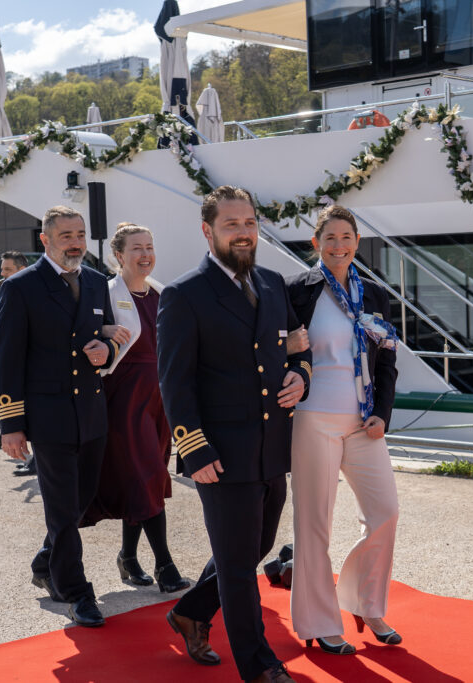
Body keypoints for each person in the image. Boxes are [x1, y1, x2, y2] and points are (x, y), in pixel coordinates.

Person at [157, 186, 312, 683]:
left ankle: (189, 613)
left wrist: (301, 375)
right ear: (208, 231)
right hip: (220, 452)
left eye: (249, 223)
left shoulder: (271, 283)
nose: (244, 233)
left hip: (271, 447)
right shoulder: (185, 294)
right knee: (240, 567)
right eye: (232, 225)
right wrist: (193, 449)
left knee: (254, 548)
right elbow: (175, 381)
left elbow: (298, 346)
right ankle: (259, 666)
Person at [0, 206, 121, 628]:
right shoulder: (21, 287)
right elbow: (8, 360)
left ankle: (45, 562)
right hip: (49, 416)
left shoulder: (97, 282)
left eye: (80, 234)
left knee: (81, 501)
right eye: (66, 235)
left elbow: (108, 336)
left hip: (91, 411)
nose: (76, 243)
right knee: (63, 509)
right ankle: (76, 592)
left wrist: (108, 352)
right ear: (45, 240)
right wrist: (12, 425)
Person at [284, 205, 401, 655]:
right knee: (315, 525)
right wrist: (285, 348)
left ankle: (365, 603)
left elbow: (387, 360)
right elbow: (276, 349)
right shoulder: (297, 290)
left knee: (385, 512)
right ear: (316, 243)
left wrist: (383, 413)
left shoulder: (374, 294)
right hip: (313, 417)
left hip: (363, 421)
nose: (338, 246)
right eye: (329, 238)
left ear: (357, 242)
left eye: (346, 237)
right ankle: (319, 621)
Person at [79, 223, 191, 594]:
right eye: (136, 248)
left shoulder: (163, 293)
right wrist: (102, 332)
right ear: (118, 256)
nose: (145, 255)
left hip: (159, 400)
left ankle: (128, 557)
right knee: (146, 476)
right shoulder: (105, 293)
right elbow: (80, 333)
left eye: (149, 247)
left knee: (145, 479)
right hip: (124, 400)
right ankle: (165, 566)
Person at [0, 251, 29, 461]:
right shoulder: (6, 290)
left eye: (7, 269)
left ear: (22, 269)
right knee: (3, 395)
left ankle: (32, 459)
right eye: (2, 269)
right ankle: (3, 430)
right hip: (6, 354)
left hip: (24, 360)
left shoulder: (30, 291)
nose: (2, 274)